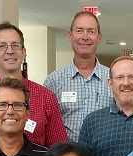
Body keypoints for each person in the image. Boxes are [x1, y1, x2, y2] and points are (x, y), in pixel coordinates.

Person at [44, 11, 112, 142]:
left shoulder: (113, 79)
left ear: (99, 37)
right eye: (79, 31)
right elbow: (46, 124)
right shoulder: (53, 81)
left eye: (91, 31)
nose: (85, 37)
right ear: (70, 35)